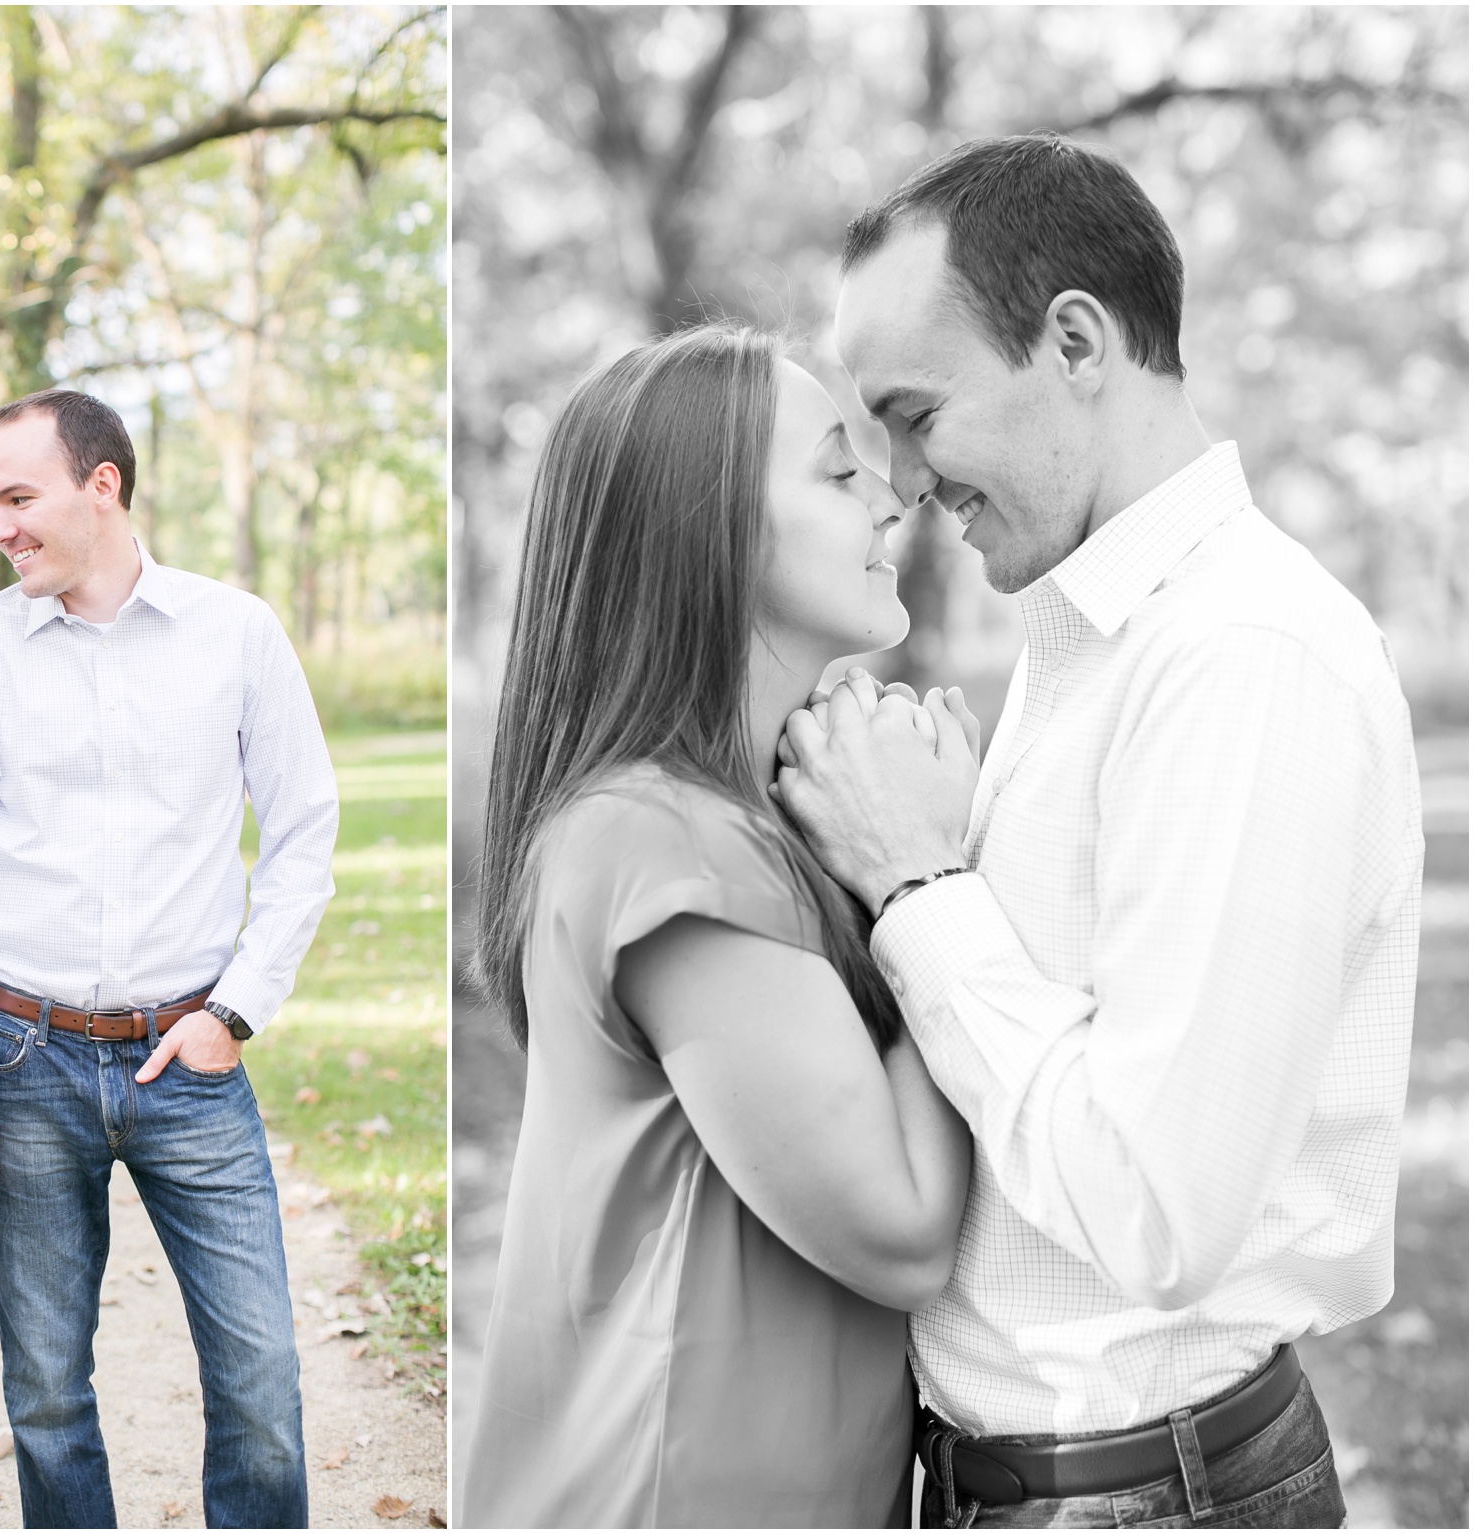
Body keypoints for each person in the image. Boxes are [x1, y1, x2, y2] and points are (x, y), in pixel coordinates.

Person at [779, 133, 1423, 1529]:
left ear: (1075, 340)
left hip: (1142, 1493)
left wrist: (917, 881)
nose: (894, 480)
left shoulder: (1244, 657)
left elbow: (1160, 1206)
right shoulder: (1092, 635)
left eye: (914, 412)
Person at [461, 324, 976, 1528]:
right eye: (836, 474)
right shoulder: (664, 837)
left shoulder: (739, 822)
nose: (890, 500)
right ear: (708, 532)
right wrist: (927, 879)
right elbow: (899, 1232)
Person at [0, 388, 340, 1528]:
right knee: (46, 1392)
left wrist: (232, 1013)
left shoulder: (233, 632)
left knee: (262, 1388)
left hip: (188, 1061)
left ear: (103, 485)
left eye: (17, 496)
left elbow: (302, 831)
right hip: (25, 1057)